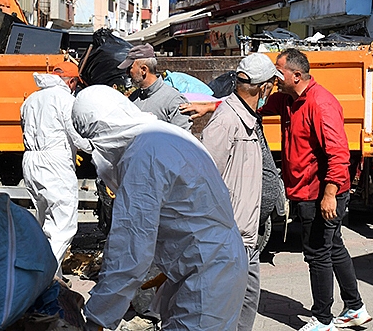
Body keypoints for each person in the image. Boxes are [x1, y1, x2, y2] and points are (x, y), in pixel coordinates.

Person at [73, 85, 247, 331]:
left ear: (102, 130)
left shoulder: (143, 155)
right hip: (209, 263)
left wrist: (97, 317)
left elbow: (130, 252)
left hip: (206, 272)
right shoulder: (162, 135)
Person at [259, 48, 371, 330]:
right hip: (309, 190)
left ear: (296, 75)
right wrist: (212, 106)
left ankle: (322, 319)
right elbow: (257, 106)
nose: (274, 78)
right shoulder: (287, 99)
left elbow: (339, 154)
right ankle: (355, 307)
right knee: (333, 246)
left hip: (320, 193)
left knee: (317, 253)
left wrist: (329, 195)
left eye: (278, 73)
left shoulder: (321, 104)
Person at [200, 53, 283, 331]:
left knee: (247, 303)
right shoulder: (226, 122)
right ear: (263, 87)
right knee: (224, 311)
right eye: (272, 85)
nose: (273, 91)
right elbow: (205, 181)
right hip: (231, 238)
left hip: (247, 236)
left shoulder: (247, 117)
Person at [20, 61, 93, 278]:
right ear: (71, 81)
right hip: (55, 162)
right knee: (64, 224)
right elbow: (77, 137)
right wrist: (98, 147)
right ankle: (43, 277)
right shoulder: (66, 100)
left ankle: (55, 277)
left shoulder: (31, 99)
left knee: (44, 220)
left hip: (31, 160)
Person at [118, 43, 192, 131]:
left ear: (143, 70)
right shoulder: (133, 97)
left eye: (130, 68)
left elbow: (183, 139)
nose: (127, 73)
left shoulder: (173, 100)